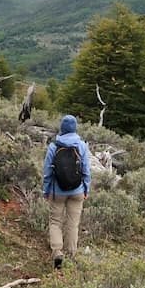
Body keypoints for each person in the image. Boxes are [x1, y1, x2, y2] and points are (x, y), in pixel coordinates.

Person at [42, 114, 91, 270]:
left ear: (62, 128)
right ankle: (71, 254)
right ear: (75, 128)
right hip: (77, 191)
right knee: (72, 224)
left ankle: (57, 252)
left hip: (57, 191)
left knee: (55, 222)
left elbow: (47, 172)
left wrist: (46, 190)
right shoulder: (82, 146)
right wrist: (86, 189)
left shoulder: (54, 146)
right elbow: (86, 170)